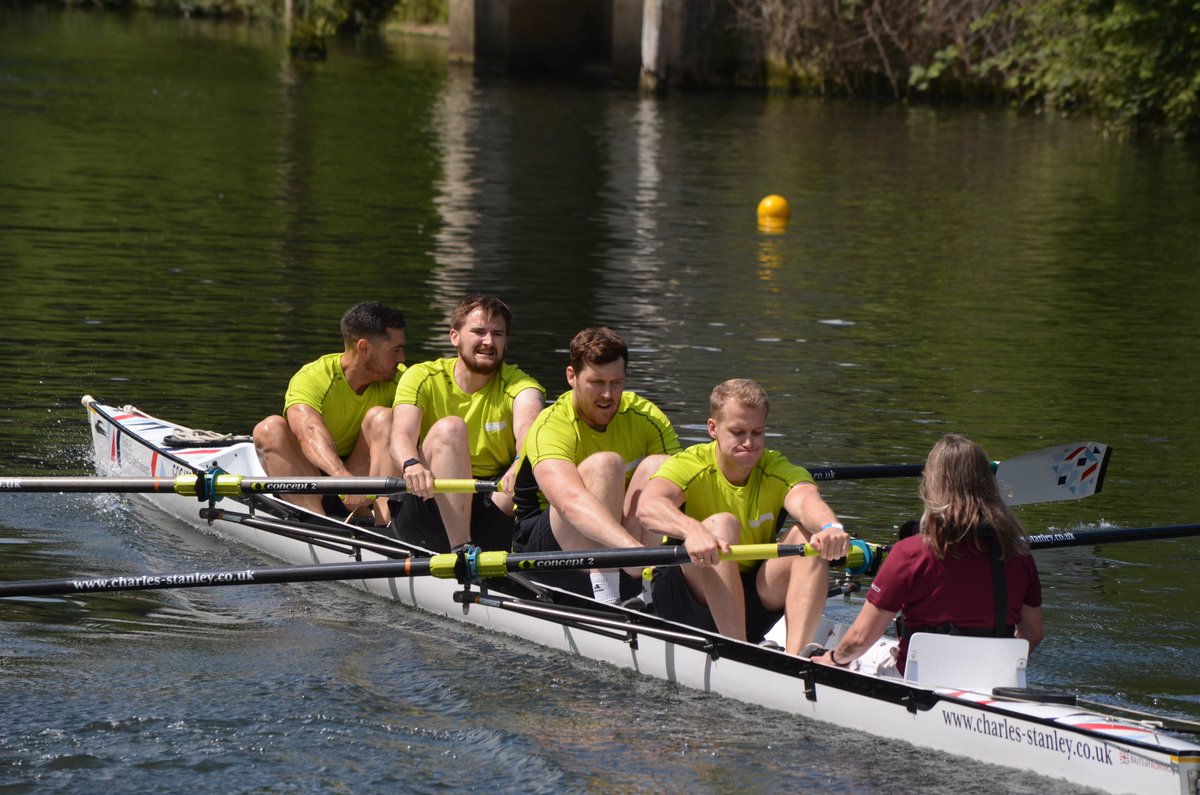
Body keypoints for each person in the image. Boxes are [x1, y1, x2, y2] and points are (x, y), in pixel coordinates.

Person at [636, 379, 850, 653]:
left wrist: (830, 527)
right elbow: (649, 506)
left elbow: (807, 499)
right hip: (688, 598)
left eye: (757, 432)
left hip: (753, 600)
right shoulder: (692, 463)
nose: (750, 443)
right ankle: (739, 652)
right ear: (713, 428)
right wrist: (692, 530)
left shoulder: (775, 467)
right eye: (738, 432)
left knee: (810, 538)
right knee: (722, 524)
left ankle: (796, 660)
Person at [812, 433, 1043, 673]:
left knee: (837, 653)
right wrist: (1002, 667)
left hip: (915, 682)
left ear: (932, 484)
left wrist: (833, 659)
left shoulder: (909, 553)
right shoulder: (1019, 555)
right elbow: (1032, 634)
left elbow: (859, 639)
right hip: (991, 679)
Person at [512, 326, 680, 603]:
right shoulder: (551, 424)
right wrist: (635, 549)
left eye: (616, 383)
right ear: (572, 377)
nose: (607, 395)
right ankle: (608, 598)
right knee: (606, 464)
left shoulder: (647, 418)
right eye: (597, 382)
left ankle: (651, 594)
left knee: (660, 467)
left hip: (626, 553)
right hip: (544, 554)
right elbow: (569, 502)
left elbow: (686, 489)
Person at [388, 295, 544, 553]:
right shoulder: (423, 376)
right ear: (454, 336)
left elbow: (529, 428)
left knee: (535, 460)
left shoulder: (521, 386)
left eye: (498, 334)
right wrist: (411, 464)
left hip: (493, 502)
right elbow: (401, 434)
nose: (489, 342)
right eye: (479, 332)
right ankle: (461, 550)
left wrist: (520, 463)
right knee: (451, 428)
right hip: (430, 503)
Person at [252, 302, 408, 524]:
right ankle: (316, 521)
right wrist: (341, 477)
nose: (402, 358)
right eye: (395, 350)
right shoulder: (314, 377)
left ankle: (385, 524)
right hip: (311, 482)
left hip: (361, 485)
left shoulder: (402, 380)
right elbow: (308, 432)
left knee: (385, 418)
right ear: (364, 348)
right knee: (269, 429)